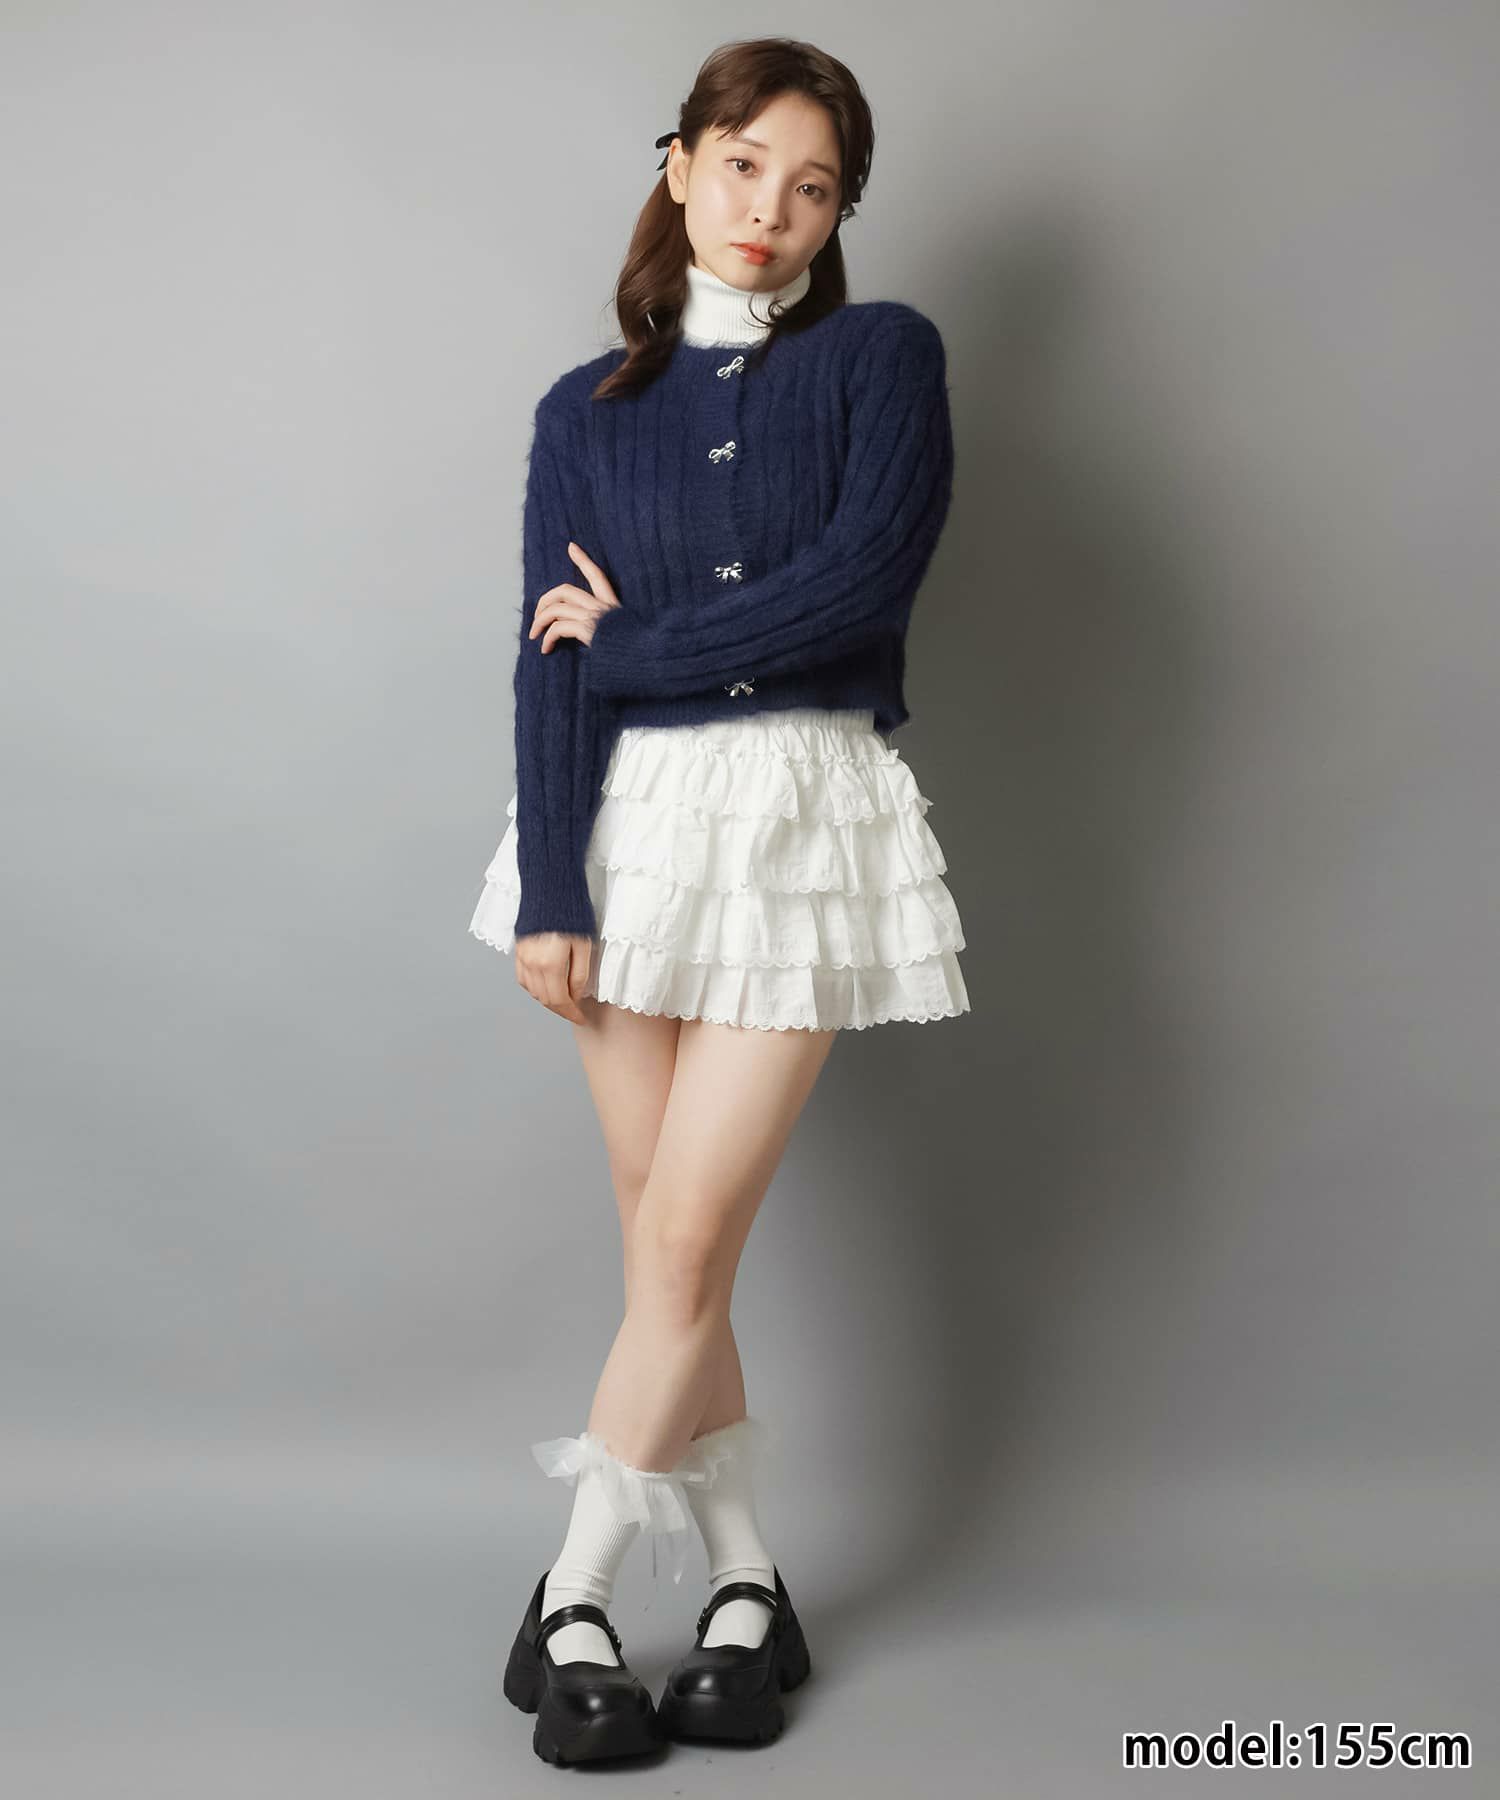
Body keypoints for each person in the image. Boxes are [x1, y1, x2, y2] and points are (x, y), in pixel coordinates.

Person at [467, 37, 971, 1765]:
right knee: (665, 1248)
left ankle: (574, 1595)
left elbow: (859, 588)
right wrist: (553, 884)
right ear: (680, 166)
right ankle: (750, 1583)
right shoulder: (584, 413)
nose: (772, 210)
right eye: (745, 165)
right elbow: (546, 663)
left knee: (684, 1244)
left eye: (812, 186)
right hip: (627, 837)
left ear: (839, 215)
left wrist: (640, 645)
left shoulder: (883, 361)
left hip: (803, 825)